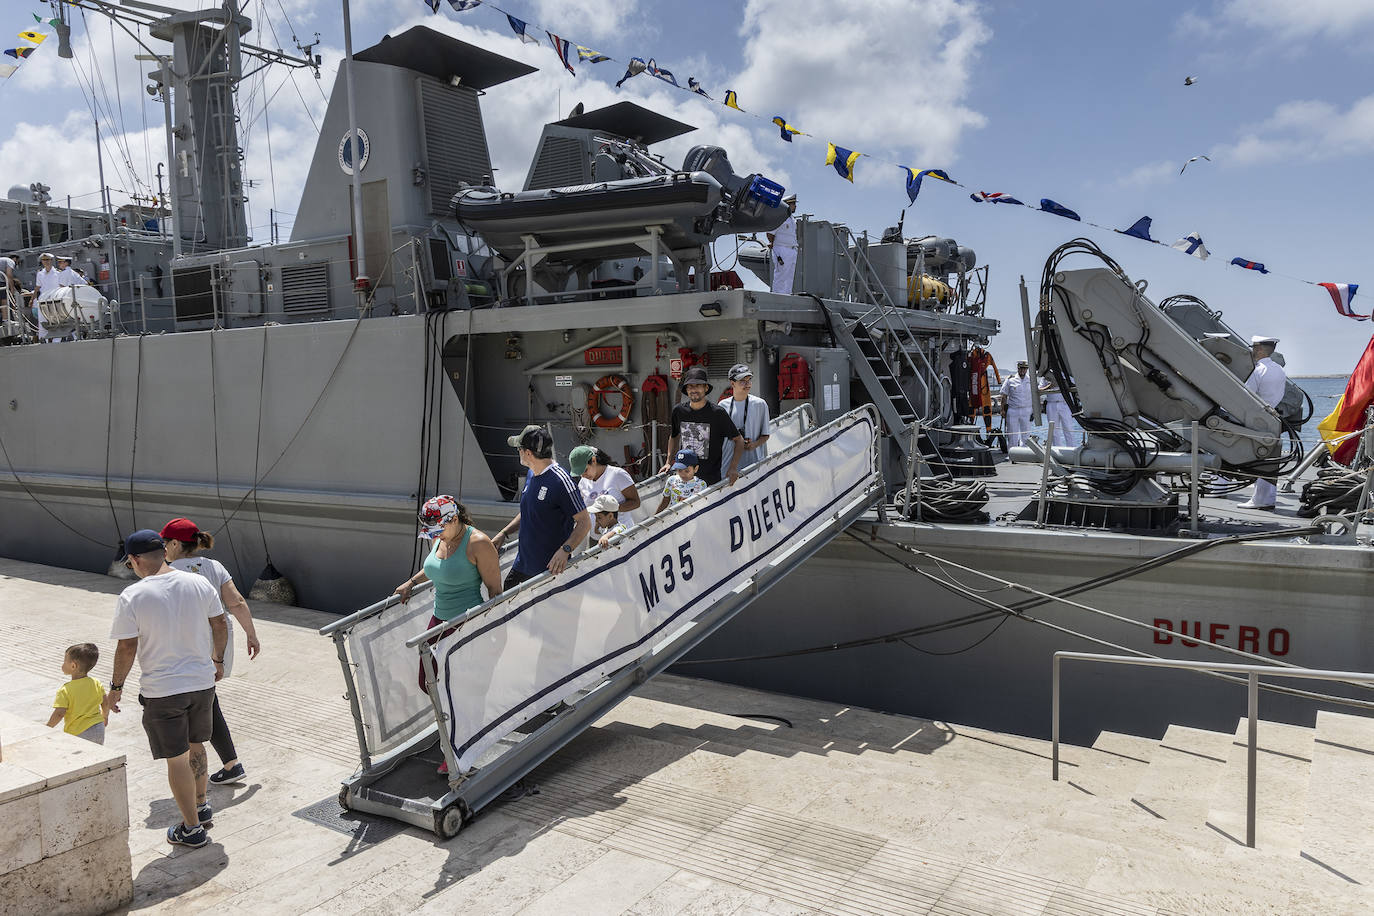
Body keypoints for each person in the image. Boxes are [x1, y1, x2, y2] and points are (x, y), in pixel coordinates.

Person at [106, 529, 227, 849]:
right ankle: (201, 806)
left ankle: (192, 828)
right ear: (163, 552)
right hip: (202, 684)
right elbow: (220, 623)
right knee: (197, 746)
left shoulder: (133, 595)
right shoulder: (199, 582)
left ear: (133, 560)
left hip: (164, 690)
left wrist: (115, 688)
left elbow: (127, 648)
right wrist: (217, 661)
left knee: (177, 759)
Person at [395, 496, 502, 771]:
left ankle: (460, 751)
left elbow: (495, 592)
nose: (435, 535)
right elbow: (434, 567)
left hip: (466, 624)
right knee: (427, 681)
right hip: (438, 621)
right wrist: (411, 582)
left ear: (454, 519)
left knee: (460, 688)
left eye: (438, 529)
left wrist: (489, 632)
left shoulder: (478, 542)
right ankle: (455, 730)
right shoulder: (440, 536)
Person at [159, 517, 260, 786]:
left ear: (175, 543)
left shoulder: (165, 571)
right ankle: (231, 764)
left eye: (164, 543)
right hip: (218, 639)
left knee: (200, 702)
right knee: (208, 698)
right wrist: (251, 634)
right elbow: (236, 602)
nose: (163, 548)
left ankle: (219, 766)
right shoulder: (214, 567)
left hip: (187, 644)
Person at [491, 426, 591, 589]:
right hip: (522, 565)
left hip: (547, 572)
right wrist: (504, 533)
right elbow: (529, 511)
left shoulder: (561, 482)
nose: (518, 452)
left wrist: (565, 550)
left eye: (519, 449)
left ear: (528, 453)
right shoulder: (532, 473)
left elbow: (584, 523)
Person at [662, 365, 744, 486]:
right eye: (690, 386)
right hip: (683, 478)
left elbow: (739, 440)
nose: (694, 390)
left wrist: (733, 468)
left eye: (698, 385)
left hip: (710, 480)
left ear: (706, 388)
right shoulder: (678, 411)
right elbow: (674, 436)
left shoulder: (717, 413)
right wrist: (668, 462)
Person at [1240, 335, 1288, 510]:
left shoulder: (1258, 370)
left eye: (1254, 347)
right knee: (1270, 458)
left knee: (1258, 457)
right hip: (1272, 416)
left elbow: (1246, 394)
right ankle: (1267, 497)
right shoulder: (1279, 369)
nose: (1252, 351)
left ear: (1259, 349)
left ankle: (1259, 499)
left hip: (1256, 417)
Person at [46, 643, 108, 745]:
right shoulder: (96, 682)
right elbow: (105, 703)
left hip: (78, 732)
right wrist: (105, 716)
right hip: (98, 728)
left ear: (73, 666)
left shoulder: (66, 690)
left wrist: (48, 727)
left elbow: (59, 713)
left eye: (65, 661)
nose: (62, 664)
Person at [718, 363, 770, 473]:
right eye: (742, 381)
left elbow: (765, 435)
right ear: (732, 383)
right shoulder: (722, 406)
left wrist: (754, 445)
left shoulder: (760, 404)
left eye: (749, 380)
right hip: (727, 464)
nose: (747, 384)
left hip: (753, 464)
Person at [570, 445, 641, 512]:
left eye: (585, 470)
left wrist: (613, 509)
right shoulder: (583, 483)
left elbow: (635, 502)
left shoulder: (617, 474)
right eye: (579, 473)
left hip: (620, 524)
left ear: (594, 460)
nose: (583, 476)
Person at [767, 195, 798, 295]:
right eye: (793, 204)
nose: (795, 206)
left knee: (789, 276)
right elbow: (770, 233)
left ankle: (787, 295)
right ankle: (778, 295)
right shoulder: (780, 217)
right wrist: (774, 244)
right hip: (781, 249)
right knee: (781, 275)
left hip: (792, 249)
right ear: (787, 205)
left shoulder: (792, 219)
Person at [999, 360, 1034, 448]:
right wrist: (1002, 410)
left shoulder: (1031, 380)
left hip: (1027, 410)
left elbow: (1036, 395)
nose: (1022, 370)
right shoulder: (1010, 380)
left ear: (1027, 369)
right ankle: (1012, 455)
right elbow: (1004, 396)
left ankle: (1024, 455)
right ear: (1018, 368)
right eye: (1021, 368)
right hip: (1013, 410)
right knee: (1012, 435)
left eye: (1024, 369)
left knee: (1026, 435)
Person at [1039, 376, 1077, 447]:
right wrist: (1049, 386)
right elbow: (1039, 390)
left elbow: (1075, 385)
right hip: (1051, 404)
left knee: (1069, 429)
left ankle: (1072, 450)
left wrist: (1064, 384)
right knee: (1054, 431)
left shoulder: (1066, 374)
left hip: (1064, 404)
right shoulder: (1046, 376)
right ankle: (1057, 450)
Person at [30, 252, 60, 341]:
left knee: (56, 321)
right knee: (42, 321)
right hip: (43, 300)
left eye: (47, 260)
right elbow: (37, 287)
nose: (45, 262)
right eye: (44, 260)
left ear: (51, 260)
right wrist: (32, 299)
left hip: (55, 299)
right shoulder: (40, 273)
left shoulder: (58, 273)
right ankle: (43, 340)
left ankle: (57, 340)